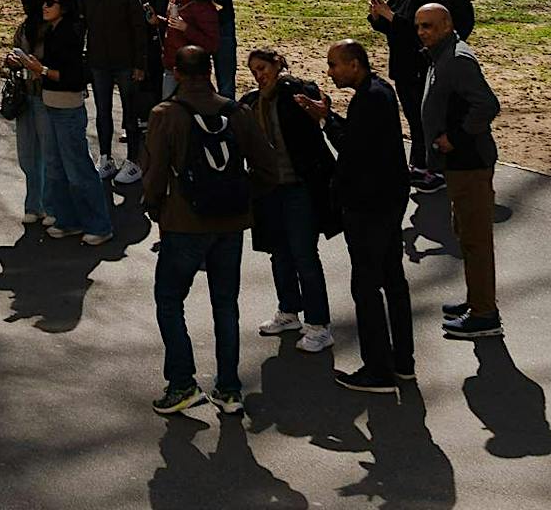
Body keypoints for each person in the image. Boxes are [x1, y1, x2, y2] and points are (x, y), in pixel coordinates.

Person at [142, 44, 271, 415]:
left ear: (178, 73)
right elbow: (267, 169)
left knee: (170, 300)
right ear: (211, 70)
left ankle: (182, 382)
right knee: (225, 305)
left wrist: (155, 209)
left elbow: (154, 174)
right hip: (231, 223)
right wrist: (244, 199)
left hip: (184, 222)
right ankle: (229, 389)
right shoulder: (238, 112)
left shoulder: (166, 114)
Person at [297, 41, 413, 393]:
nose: (330, 71)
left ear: (354, 64)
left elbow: (352, 146)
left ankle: (378, 369)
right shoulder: (379, 92)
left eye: (334, 64)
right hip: (389, 200)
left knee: (366, 286)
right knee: (393, 279)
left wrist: (325, 121)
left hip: (369, 205)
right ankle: (402, 361)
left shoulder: (370, 98)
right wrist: (329, 116)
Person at [415, 1, 503, 340]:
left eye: (430, 26)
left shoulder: (456, 60)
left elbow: (487, 105)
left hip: (471, 165)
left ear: (448, 25)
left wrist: (455, 137)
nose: (423, 32)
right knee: (466, 236)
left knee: (476, 241)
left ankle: (485, 315)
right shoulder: (442, 55)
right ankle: (475, 301)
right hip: (458, 166)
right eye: (420, 26)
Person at [241, 47, 337, 355]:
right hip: (269, 189)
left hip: (299, 187)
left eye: (263, 67)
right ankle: (288, 311)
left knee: (304, 255)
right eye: (254, 70)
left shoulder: (296, 92)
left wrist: (288, 84)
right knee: (278, 253)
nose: (259, 74)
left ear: (277, 64)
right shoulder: (252, 103)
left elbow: (318, 102)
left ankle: (319, 325)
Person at [12, 0, 114, 244]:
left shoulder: (69, 34)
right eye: (43, 2)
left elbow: (72, 76)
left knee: (78, 169)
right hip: (50, 104)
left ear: (64, 8)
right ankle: (67, 220)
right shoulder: (53, 31)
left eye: (50, 3)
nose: (43, 7)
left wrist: (41, 70)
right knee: (55, 167)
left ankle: (100, 226)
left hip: (67, 108)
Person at [369, 0, 473, 193]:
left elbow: (420, 33)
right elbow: (391, 28)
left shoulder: (435, 0)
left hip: (426, 66)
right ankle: (420, 165)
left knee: (428, 118)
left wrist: (391, 17)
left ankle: (434, 168)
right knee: (414, 118)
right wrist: (377, 16)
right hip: (403, 66)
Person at [80, 0, 148, 189]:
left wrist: (140, 64)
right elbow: (81, 29)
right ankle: (106, 157)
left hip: (125, 63)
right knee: (102, 111)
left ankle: (132, 160)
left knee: (130, 112)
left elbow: (140, 31)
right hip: (99, 63)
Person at [10, 0, 51, 223]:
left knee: (48, 153)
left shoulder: (52, 28)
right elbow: (15, 50)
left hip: (46, 96)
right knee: (27, 154)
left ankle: (49, 204)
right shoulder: (23, 29)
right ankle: (32, 204)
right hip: (25, 95)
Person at [162, 0, 220, 97]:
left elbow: (212, 44)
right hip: (171, 65)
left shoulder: (203, 7)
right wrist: (158, 20)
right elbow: (172, 27)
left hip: (192, 73)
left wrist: (187, 29)